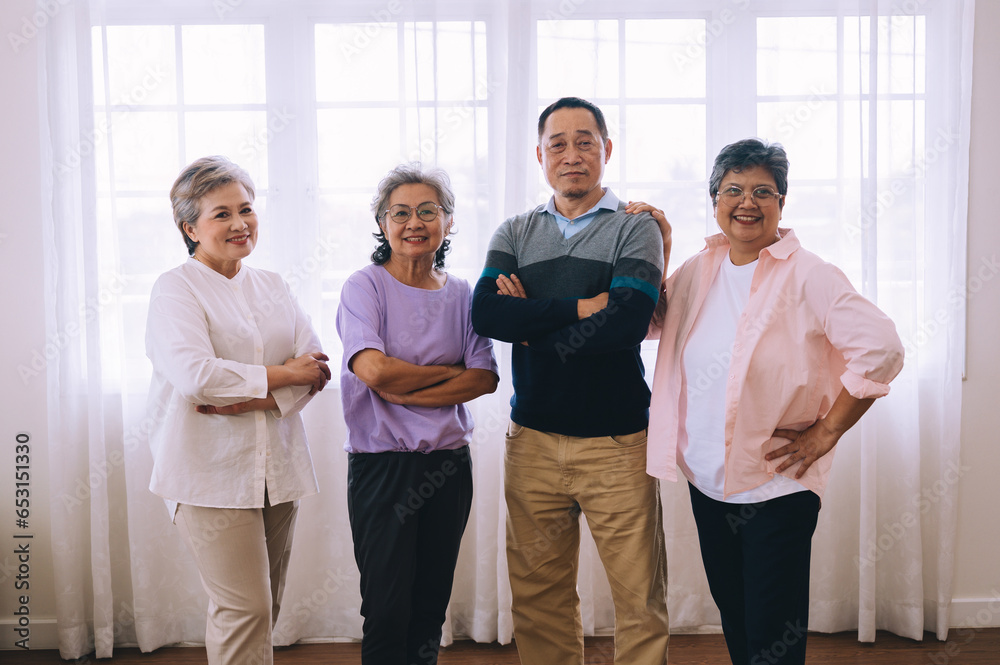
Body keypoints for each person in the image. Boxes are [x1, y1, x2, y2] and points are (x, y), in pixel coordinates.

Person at [646, 138, 905, 665]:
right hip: (709, 481)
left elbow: (882, 348)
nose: (747, 201)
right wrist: (660, 247)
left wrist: (827, 431)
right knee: (737, 615)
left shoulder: (809, 273)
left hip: (776, 483)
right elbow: (649, 321)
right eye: (733, 189)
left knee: (774, 627)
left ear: (782, 202)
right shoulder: (699, 269)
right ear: (714, 199)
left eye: (763, 190)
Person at [470, 97, 671, 665]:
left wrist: (531, 323)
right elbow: (487, 315)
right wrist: (585, 307)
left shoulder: (635, 229)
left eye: (586, 141)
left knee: (639, 598)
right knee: (539, 597)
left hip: (618, 445)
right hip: (531, 439)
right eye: (558, 143)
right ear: (540, 156)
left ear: (606, 150)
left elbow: (628, 321)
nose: (572, 154)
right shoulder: (514, 231)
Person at [145, 156, 331, 665]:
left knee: (261, 607)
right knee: (243, 608)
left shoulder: (272, 284)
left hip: (277, 468)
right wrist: (283, 374)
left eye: (245, 209)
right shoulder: (175, 289)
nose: (239, 223)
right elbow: (195, 377)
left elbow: (315, 365)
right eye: (221, 213)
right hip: (209, 472)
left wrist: (261, 394)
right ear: (190, 227)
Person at [336, 163, 499, 665]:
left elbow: (484, 378)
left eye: (428, 211)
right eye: (400, 212)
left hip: (448, 465)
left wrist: (407, 384)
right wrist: (445, 372)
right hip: (382, 467)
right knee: (386, 609)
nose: (414, 222)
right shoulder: (364, 286)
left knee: (430, 605)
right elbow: (375, 372)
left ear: (449, 222)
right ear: (382, 224)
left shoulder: (464, 293)